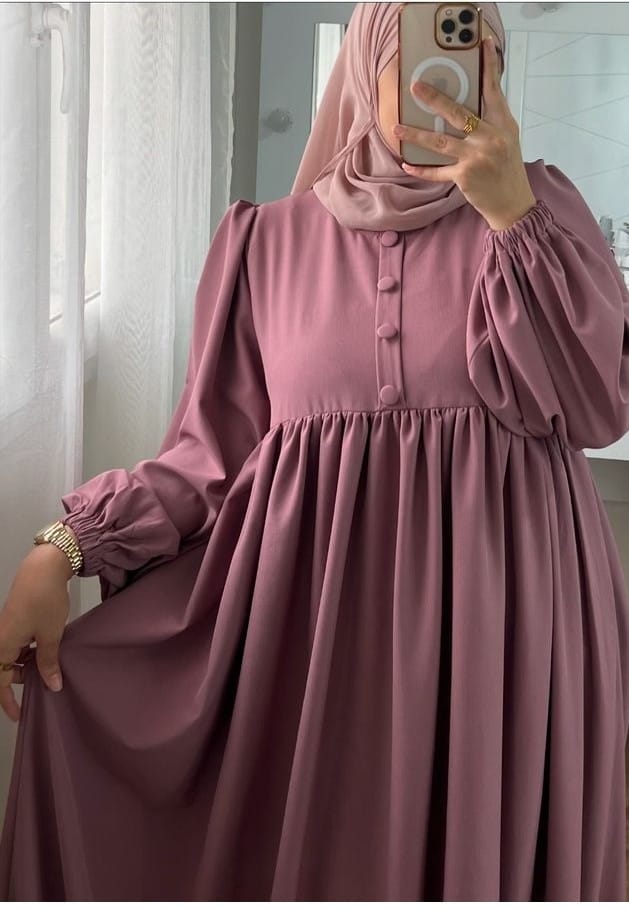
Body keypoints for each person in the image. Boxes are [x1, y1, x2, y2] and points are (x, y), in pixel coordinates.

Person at [1, 1, 628, 900]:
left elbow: (598, 404)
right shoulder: (267, 242)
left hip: (507, 633)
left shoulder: (543, 213)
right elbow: (208, 458)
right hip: (320, 639)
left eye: (476, 52)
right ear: (365, 66)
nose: (448, 80)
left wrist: (512, 218)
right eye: (417, 51)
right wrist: (62, 548)